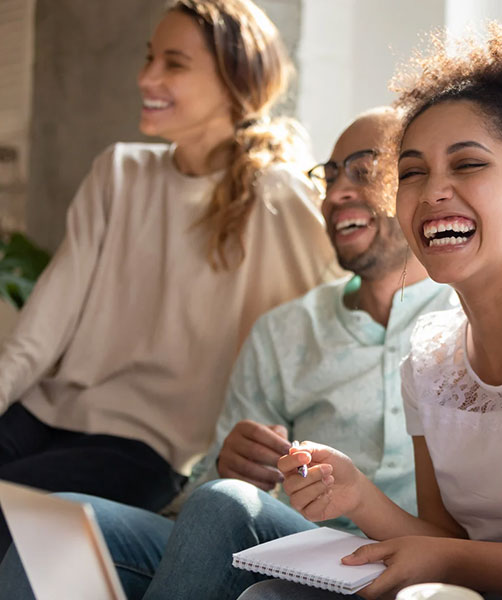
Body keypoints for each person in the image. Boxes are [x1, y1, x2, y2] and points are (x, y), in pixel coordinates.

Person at [240, 22, 502, 600]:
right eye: (412, 172)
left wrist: (440, 558)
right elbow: (443, 539)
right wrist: (357, 494)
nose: (433, 190)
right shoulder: (431, 357)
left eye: (467, 164)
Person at [0, 107, 456, 600]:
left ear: (414, 185)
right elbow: (203, 495)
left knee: (227, 506)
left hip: (404, 563)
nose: (337, 191)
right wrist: (227, 465)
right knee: (61, 523)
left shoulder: (465, 318)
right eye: (329, 174)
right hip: (295, 544)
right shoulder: (286, 330)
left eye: (363, 172)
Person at [0, 0, 340, 549]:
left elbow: (323, 326)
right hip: (42, 413)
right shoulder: (118, 171)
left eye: (173, 63)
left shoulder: (276, 194)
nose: (146, 77)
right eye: (149, 57)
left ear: (235, 81)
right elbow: (42, 328)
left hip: (149, 452)